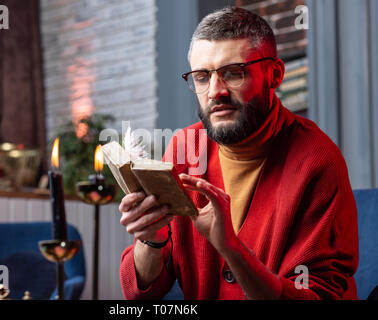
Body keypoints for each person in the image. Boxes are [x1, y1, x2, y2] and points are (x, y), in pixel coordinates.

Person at [118, 6, 358, 300]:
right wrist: (151, 241)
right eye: (202, 77)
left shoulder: (317, 160)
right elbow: (141, 296)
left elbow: (321, 295)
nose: (215, 91)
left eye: (233, 73)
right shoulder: (183, 147)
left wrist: (231, 248)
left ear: (275, 75)